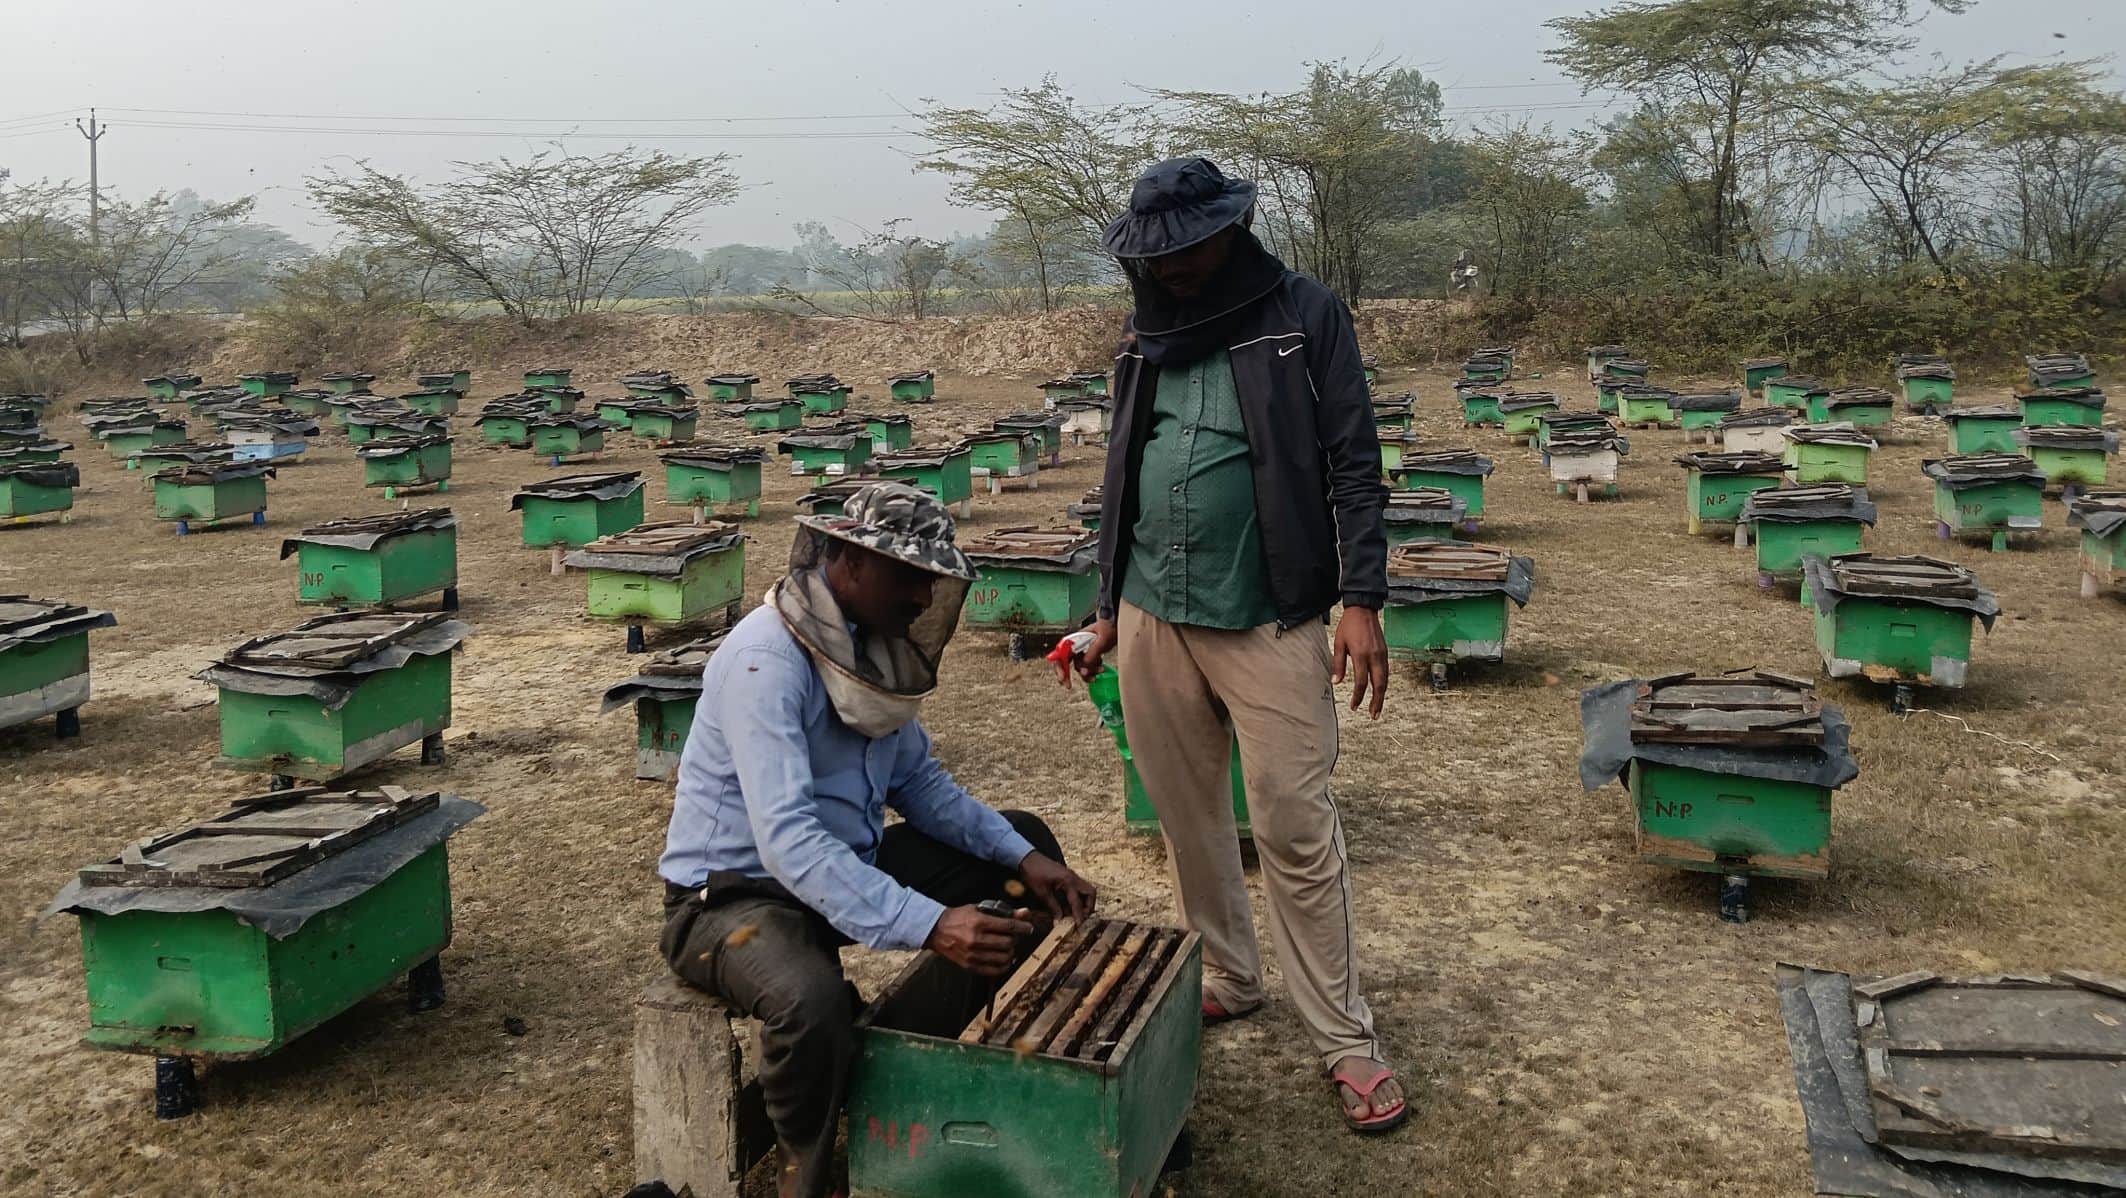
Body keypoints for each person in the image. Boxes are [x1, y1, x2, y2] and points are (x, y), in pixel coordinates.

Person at [1058, 156, 1406, 1133]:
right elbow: (1124, 471)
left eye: (1185, 250)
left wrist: (1360, 597)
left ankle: (1344, 1036)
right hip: (1152, 617)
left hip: (1269, 615)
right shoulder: (1140, 333)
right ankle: (1228, 969)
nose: (1171, 268)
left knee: (1294, 824)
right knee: (1188, 820)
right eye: (1153, 256)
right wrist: (1104, 612)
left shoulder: (1301, 314)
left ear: (1226, 234)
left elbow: (1352, 457)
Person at [660, 482, 1099, 1198]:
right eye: (908, 575)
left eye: (931, 579)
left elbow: (921, 787)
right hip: (726, 903)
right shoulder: (763, 662)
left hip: (840, 872)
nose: (924, 598)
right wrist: (929, 923)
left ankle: (892, 1060)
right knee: (811, 1000)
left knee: (1021, 845)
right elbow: (789, 841)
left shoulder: (872, 648)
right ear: (848, 561)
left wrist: (1025, 859)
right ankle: (805, 1169)